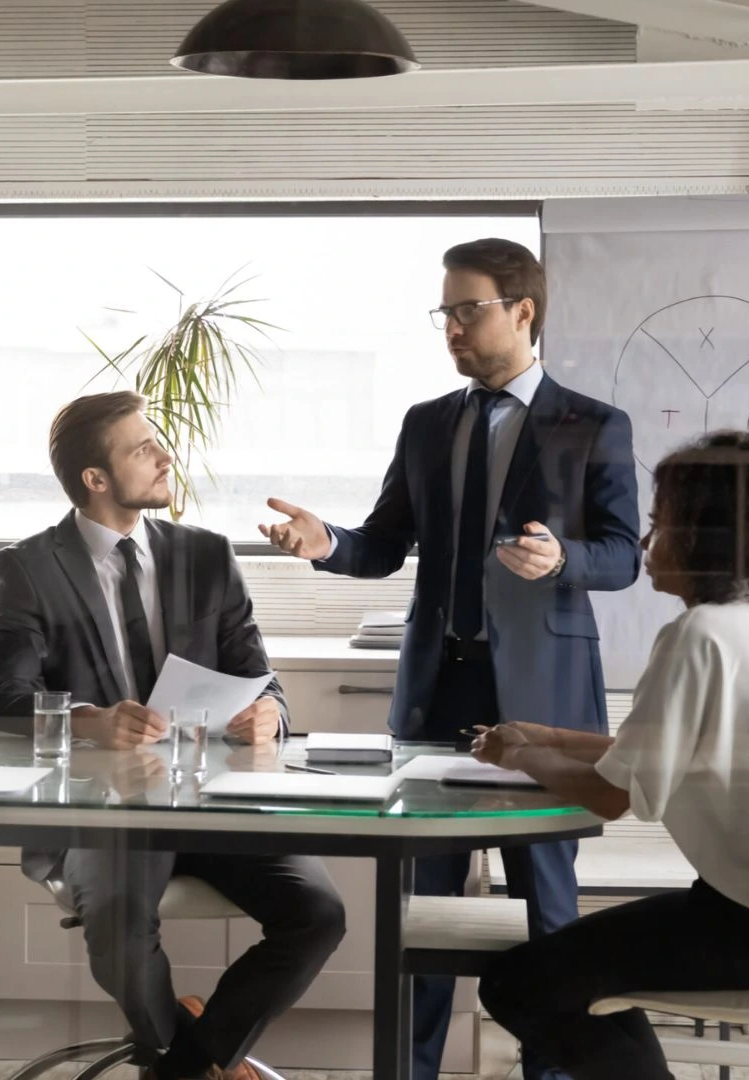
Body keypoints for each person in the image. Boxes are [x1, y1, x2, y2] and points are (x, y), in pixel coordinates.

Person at [261, 238, 639, 1080]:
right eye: (446, 312)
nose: (452, 328)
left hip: (544, 703)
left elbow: (623, 555)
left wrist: (564, 560)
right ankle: (412, 1071)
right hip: (437, 693)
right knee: (419, 915)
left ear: (523, 312)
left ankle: (551, 1073)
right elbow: (385, 545)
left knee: (551, 915)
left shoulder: (594, 425)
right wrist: (326, 545)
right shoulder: (428, 424)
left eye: (469, 310)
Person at [0, 391, 346, 1080]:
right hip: (105, 815)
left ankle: (184, 1065)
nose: (165, 456)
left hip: (216, 804)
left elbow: (258, 676)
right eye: (143, 448)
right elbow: (3, 702)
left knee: (318, 914)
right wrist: (89, 721)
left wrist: (267, 713)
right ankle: (195, 1056)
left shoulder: (206, 556)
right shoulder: (28, 567)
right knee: (120, 930)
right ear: (96, 479)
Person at [470, 431, 749, 1080]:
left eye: (658, 525)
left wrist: (518, 756)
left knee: (521, 983)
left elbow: (613, 797)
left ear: (705, 534)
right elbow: (668, 753)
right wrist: (548, 739)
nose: (646, 545)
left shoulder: (699, 636)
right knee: (579, 976)